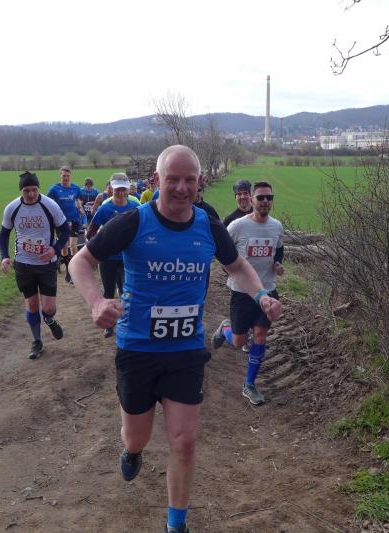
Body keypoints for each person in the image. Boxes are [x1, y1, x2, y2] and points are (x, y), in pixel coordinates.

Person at [69, 145, 282, 533]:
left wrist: (261, 295)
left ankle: (175, 524)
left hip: (185, 351)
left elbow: (237, 265)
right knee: (136, 436)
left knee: (184, 442)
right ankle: (132, 451)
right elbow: (80, 261)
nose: (182, 188)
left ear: (199, 183)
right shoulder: (134, 222)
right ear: (157, 180)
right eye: (173, 179)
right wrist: (96, 301)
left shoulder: (209, 226)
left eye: (189, 180)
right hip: (137, 350)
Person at [212, 181, 284, 405]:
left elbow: (279, 248)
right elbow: (222, 251)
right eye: (260, 197)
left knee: (260, 336)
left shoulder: (277, 226)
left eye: (269, 198)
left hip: (268, 290)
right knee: (238, 341)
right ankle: (225, 329)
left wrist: (278, 263)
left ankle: (249, 384)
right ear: (252, 200)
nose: (265, 201)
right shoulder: (237, 226)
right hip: (242, 293)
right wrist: (231, 270)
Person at [0, 171, 69, 359]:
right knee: (31, 305)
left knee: (48, 308)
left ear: (38, 189)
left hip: (46, 264)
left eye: (34, 190)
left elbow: (65, 230)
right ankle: (37, 341)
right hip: (23, 264)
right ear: (21, 191)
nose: (30, 194)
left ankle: (49, 319)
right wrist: (4, 257)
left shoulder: (50, 205)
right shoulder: (12, 208)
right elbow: (3, 234)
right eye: (26, 190)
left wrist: (55, 250)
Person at [85, 173, 137, 338]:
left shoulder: (135, 207)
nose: (120, 193)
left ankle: (125, 323)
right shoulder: (105, 209)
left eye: (123, 189)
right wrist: (100, 246)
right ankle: (109, 325)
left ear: (128, 189)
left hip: (127, 259)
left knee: (125, 291)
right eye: (117, 189)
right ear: (111, 189)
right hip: (108, 259)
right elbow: (91, 233)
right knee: (108, 291)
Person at [47, 166, 84, 283]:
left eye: (68, 176)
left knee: (73, 246)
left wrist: (80, 208)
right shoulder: (54, 189)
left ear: (70, 176)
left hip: (74, 220)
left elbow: (78, 200)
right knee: (64, 247)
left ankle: (74, 272)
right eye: (64, 176)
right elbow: (48, 202)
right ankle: (68, 270)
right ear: (60, 176)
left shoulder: (76, 188)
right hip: (60, 221)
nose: (66, 178)